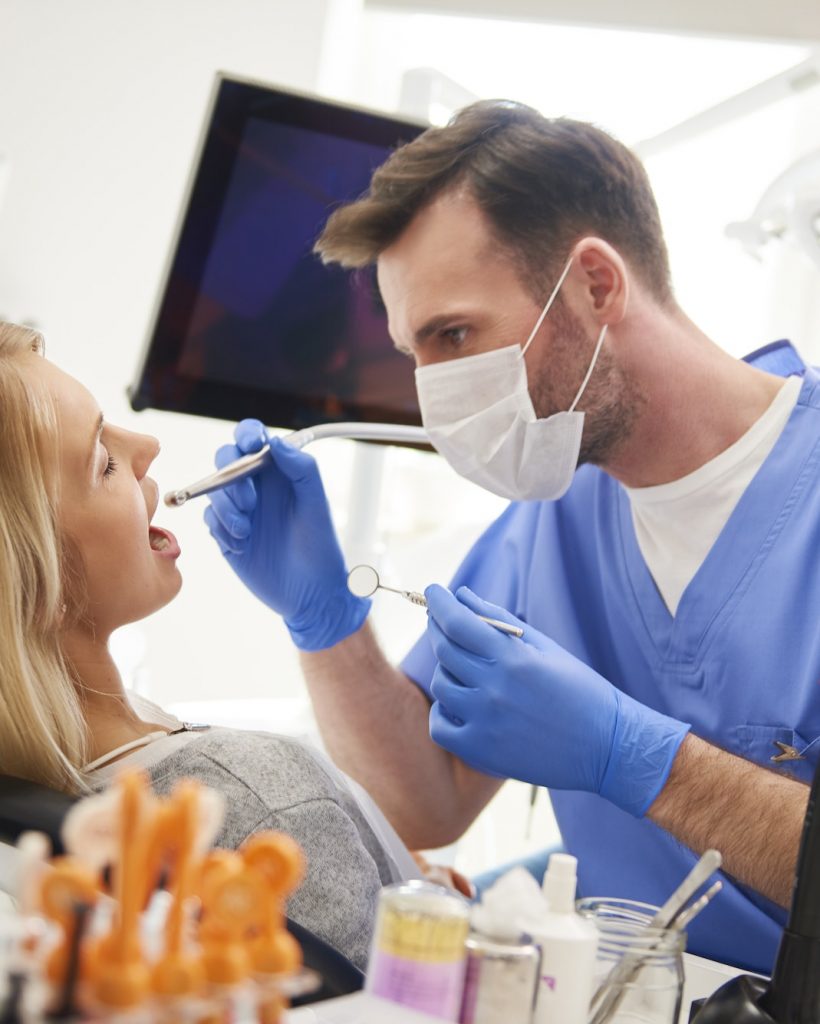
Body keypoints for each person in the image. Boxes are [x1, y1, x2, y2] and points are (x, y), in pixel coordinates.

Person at [204, 101, 820, 976]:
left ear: (597, 285)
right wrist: (324, 622)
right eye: (414, 351)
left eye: (454, 334)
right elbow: (424, 802)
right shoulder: (553, 516)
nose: (434, 393)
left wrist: (640, 759)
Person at [0, 321, 431, 969]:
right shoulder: (254, 800)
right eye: (104, 461)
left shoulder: (50, 789)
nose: (146, 444)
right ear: (40, 585)